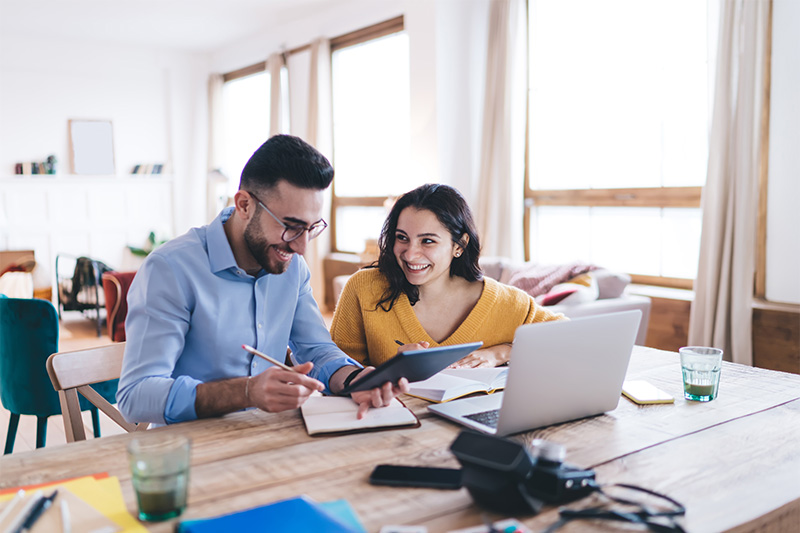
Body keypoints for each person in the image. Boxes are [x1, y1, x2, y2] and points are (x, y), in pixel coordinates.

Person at [117, 134, 407, 425]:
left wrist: (357, 380)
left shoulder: (293, 266)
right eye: (291, 226)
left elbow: (316, 350)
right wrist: (246, 392)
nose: (301, 246)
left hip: (270, 437)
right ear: (244, 205)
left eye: (311, 228)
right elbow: (136, 396)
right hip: (191, 450)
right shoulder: (170, 269)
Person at [330, 183, 565, 368]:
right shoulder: (363, 288)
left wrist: (501, 352)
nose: (410, 254)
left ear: (459, 245)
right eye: (402, 237)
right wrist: (393, 370)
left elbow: (568, 339)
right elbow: (331, 368)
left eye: (428, 241)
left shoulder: (508, 303)